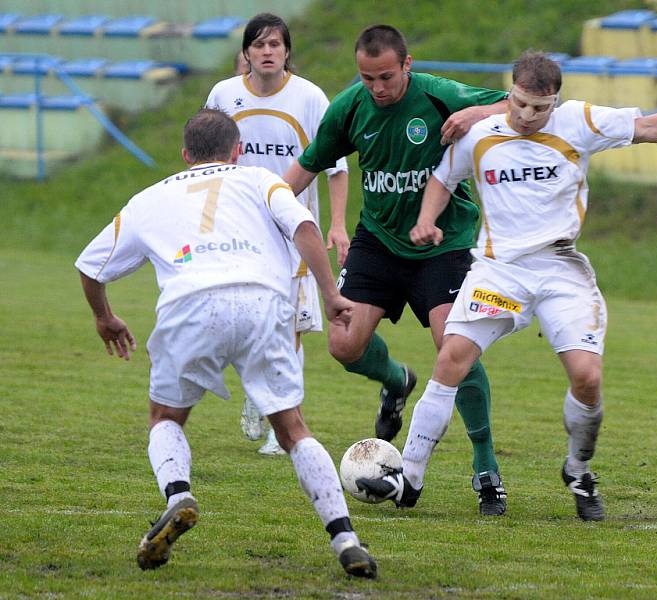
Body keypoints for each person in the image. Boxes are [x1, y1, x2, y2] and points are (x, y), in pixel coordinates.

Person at [357, 50, 657, 521]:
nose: (528, 116)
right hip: (500, 270)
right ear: (509, 92)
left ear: (556, 101)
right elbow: (442, 179)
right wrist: (427, 220)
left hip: (559, 268)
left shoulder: (579, 122)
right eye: (521, 104)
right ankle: (409, 477)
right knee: (451, 357)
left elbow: (653, 127)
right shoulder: (480, 135)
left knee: (587, 378)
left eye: (541, 108)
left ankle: (578, 469)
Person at [75, 108, 377, 578]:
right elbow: (305, 229)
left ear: (184, 155)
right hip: (264, 302)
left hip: (190, 305)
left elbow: (90, 267)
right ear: (236, 150)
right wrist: (331, 293)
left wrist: (105, 317)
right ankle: (345, 539)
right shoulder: (260, 179)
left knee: (166, 417)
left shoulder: (149, 198)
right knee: (293, 428)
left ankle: (178, 495)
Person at [281, 24, 511, 515]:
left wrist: (477, 112)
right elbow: (307, 166)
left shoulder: (441, 95)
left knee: (456, 347)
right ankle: (395, 380)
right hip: (379, 242)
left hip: (443, 243)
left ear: (406, 66)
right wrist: (265, 209)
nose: (377, 88)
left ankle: (485, 464)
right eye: (367, 78)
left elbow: (523, 105)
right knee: (343, 344)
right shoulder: (349, 107)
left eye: (385, 77)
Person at [207, 13, 350, 456]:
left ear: (287, 51)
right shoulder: (223, 95)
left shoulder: (310, 97)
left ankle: (280, 426)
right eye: (259, 44)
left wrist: (338, 224)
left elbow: (336, 166)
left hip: (292, 233)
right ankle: (256, 387)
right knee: (243, 318)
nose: (267, 51)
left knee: (291, 327)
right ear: (246, 53)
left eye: (276, 44)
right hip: (240, 229)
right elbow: (206, 157)